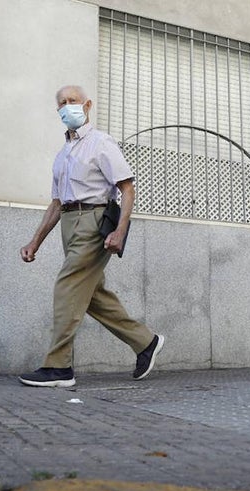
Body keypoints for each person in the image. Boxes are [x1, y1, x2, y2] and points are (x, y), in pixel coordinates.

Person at [18, 85, 164, 388]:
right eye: (61, 103)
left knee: (67, 287)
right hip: (69, 223)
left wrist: (120, 230)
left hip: (95, 221)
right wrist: (35, 242)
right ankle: (145, 342)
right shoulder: (62, 155)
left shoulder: (101, 143)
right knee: (93, 296)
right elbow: (57, 203)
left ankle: (58, 367)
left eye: (73, 101)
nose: (67, 106)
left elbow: (127, 188)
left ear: (87, 106)